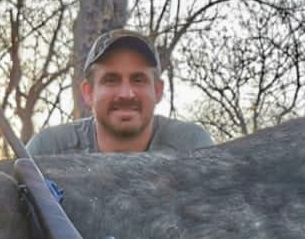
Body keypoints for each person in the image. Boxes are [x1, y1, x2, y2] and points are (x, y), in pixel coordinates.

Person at [27, 28, 214, 155]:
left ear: (157, 91)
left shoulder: (192, 148)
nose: (126, 94)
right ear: (88, 92)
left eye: (138, 80)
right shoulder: (48, 151)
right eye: (111, 80)